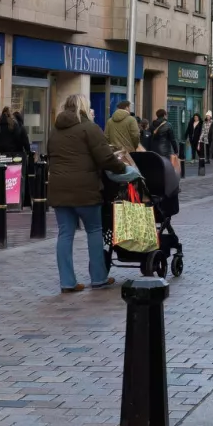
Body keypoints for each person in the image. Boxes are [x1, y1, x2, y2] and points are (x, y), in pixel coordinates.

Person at [46, 94, 139, 292]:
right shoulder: (89, 127)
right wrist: (124, 170)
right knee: (94, 231)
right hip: (85, 189)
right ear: (83, 107)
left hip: (59, 189)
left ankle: (67, 282)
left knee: (65, 234)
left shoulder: (55, 130)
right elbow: (105, 158)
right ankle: (98, 278)